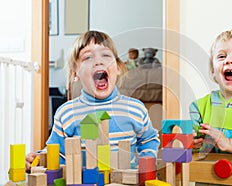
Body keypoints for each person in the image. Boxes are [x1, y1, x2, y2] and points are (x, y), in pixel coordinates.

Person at [26, 31, 160, 170]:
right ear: (75, 73)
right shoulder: (66, 113)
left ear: (118, 68)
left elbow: (148, 140)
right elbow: (57, 152)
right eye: (88, 57)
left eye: (106, 55)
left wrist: (145, 164)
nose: (98, 61)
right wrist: (38, 159)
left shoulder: (135, 109)